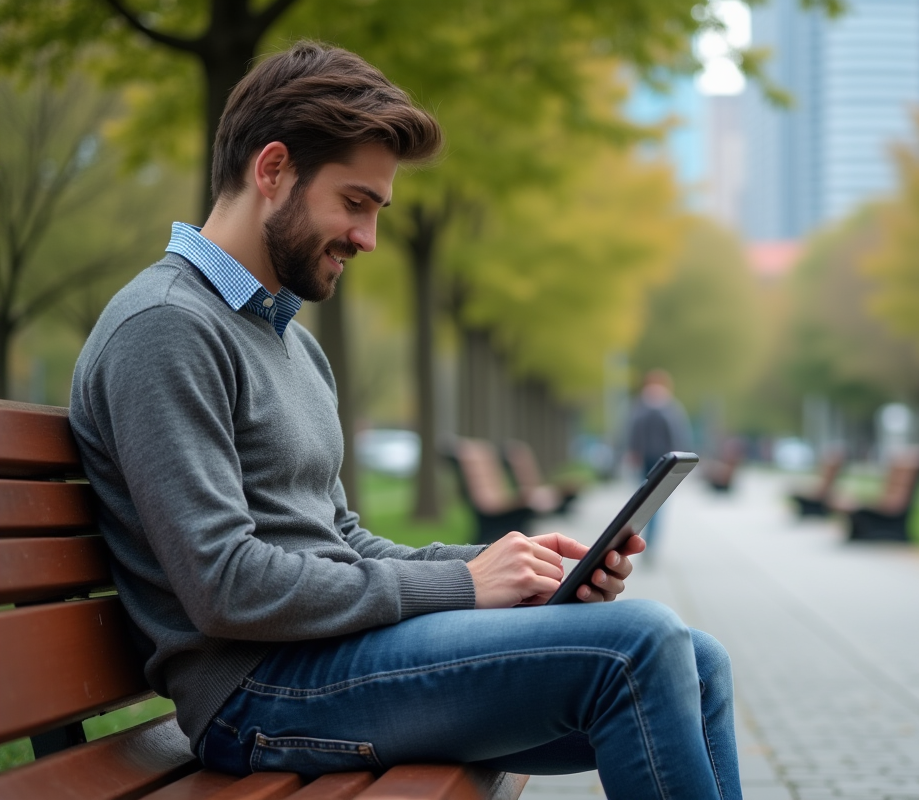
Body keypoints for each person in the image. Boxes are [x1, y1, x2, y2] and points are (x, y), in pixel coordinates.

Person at [68, 42, 740, 799]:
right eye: (355, 202)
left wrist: (510, 569)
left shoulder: (290, 342)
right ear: (273, 170)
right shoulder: (165, 327)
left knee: (696, 657)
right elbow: (225, 586)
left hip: (333, 660)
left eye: (377, 211)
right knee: (638, 646)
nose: (368, 238)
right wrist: (461, 585)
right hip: (256, 694)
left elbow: (341, 541)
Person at [627, 369, 693, 549]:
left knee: (651, 501)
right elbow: (679, 435)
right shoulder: (668, 407)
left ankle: (646, 540)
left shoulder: (647, 407)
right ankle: (644, 540)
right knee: (649, 501)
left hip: (661, 461)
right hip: (656, 460)